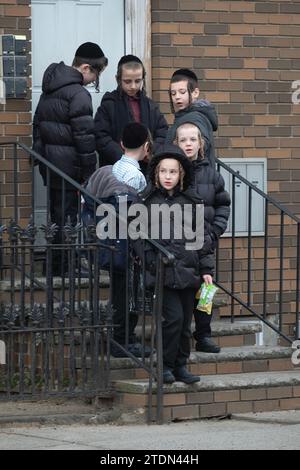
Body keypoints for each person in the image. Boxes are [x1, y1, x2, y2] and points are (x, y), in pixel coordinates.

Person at [137, 144, 216, 384]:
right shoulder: (147, 201)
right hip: (162, 273)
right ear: (156, 174)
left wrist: (206, 270)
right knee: (171, 321)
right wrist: (151, 261)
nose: (168, 176)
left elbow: (202, 239)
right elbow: (137, 238)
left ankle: (180, 365)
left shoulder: (191, 202)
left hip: (188, 272)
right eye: (163, 172)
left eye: (173, 172)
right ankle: (164, 366)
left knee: (184, 324)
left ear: (181, 174)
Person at [33, 42, 108, 275]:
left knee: (58, 217)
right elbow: (85, 138)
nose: (94, 81)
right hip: (70, 168)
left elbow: (37, 126)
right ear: (85, 67)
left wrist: (42, 159)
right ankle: (65, 267)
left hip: (51, 166)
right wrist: (88, 173)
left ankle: (55, 265)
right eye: (95, 75)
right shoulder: (78, 94)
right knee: (68, 219)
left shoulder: (50, 88)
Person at [83, 123, 152, 357]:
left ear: (121, 144)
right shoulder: (137, 178)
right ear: (146, 146)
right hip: (128, 244)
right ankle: (123, 340)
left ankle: (118, 336)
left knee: (118, 290)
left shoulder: (104, 171)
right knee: (128, 294)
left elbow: (87, 201)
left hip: (107, 240)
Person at [174, 122, 231, 353]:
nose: (188, 144)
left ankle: (204, 335)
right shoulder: (172, 170)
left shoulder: (212, 175)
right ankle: (181, 337)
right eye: (183, 140)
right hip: (180, 243)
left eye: (192, 139)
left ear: (201, 143)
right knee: (185, 291)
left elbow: (223, 205)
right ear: (176, 143)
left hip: (205, 242)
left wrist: (215, 231)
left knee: (205, 289)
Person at [94, 54, 168, 172]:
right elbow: (100, 136)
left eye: (138, 81)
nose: (133, 86)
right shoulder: (109, 104)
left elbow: (163, 133)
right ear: (118, 79)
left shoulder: (151, 106)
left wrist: (149, 152)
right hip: (116, 169)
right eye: (127, 81)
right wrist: (125, 158)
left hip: (146, 169)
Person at [165, 68, 218, 167]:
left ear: (195, 93)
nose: (177, 97)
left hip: (194, 178)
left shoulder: (195, 118)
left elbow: (202, 146)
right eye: (173, 93)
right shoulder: (184, 116)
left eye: (182, 92)